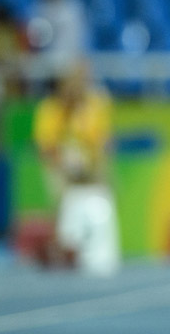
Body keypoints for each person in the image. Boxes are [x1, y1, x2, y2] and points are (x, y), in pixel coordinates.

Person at [32, 59, 121, 276]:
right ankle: (63, 244)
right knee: (61, 186)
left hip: (91, 165)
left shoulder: (95, 105)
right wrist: (65, 162)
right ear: (64, 84)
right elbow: (45, 147)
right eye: (74, 82)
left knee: (103, 183)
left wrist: (100, 167)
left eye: (82, 81)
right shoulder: (50, 108)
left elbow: (104, 141)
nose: (78, 86)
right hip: (62, 167)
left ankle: (97, 244)